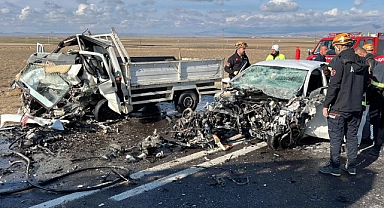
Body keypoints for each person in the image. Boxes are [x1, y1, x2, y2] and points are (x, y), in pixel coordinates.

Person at [319, 33, 369, 176]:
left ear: (339, 46)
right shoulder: (362, 62)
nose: (335, 49)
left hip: (338, 108)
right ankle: (351, 166)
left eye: (335, 47)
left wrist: (326, 104)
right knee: (352, 136)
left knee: (336, 138)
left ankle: (335, 167)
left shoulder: (339, 62)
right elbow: (366, 85)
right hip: (356, 107)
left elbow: (333, 86)